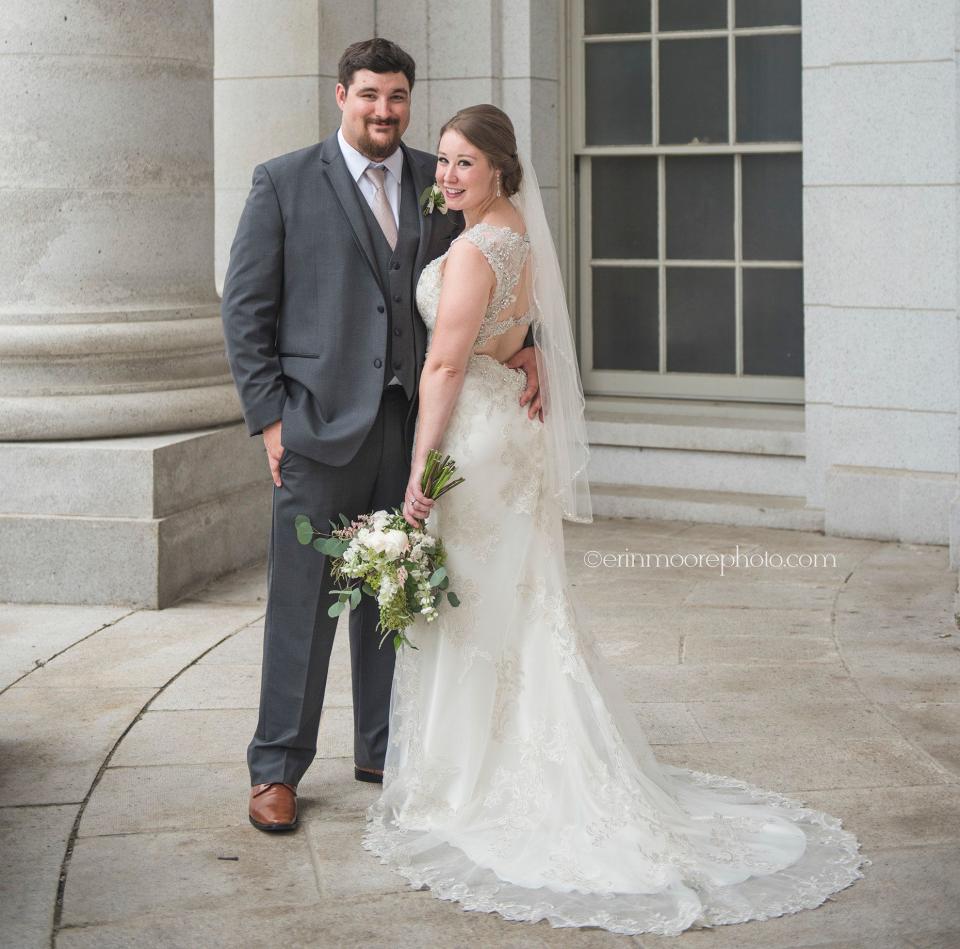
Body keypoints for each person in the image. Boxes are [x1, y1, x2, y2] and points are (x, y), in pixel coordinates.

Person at [363, 104, 869, 936]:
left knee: (482, 613)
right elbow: (512, 333)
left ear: (499, 168)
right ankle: (503, 756)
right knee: (521, 605)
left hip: (476, 447)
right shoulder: (517, 233)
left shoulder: (467, 252)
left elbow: (448, 362)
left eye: (464, 163)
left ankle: (471, 780)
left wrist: (420, 466)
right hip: (511, 440)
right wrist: (518, 352)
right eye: (443, 162)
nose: (447, 175)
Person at [220, 40, 542, 833]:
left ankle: (380, 746)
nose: (384, 110)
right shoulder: (284, 182)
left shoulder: (445, 177)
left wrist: (523, 341)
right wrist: (270, 419)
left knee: (396, 597)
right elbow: (245, 311)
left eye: (397, 96)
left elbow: (490, 280)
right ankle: (276, 767)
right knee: (303, 602)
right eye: (369, 95)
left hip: (410, 431)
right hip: (315, 432)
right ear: (341, 96)